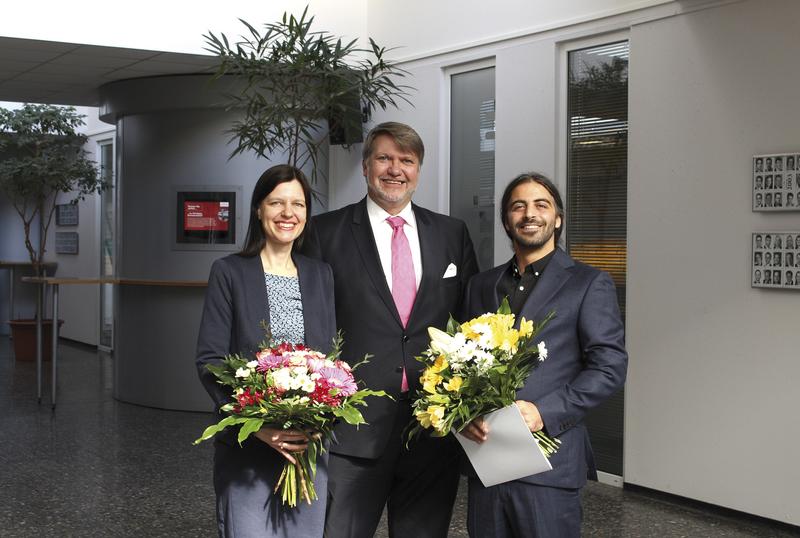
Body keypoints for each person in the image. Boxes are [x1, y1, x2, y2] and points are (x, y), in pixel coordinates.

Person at [302, 122, 479, 538]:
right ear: (365, 167)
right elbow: (310, 324)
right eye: (384, 158)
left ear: (418, 170)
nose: (394, 169)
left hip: (430, 427)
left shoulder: (452, 234)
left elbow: (468, 323)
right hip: (351, 428)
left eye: (407, 160)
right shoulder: (324, 233)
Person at [461, 172, 628, 537]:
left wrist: (543, 412)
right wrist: (465, 415)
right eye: (518, 206)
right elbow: (463, 362)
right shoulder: (480, 285)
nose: (529, 214)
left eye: (541, 205)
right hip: (486, 461)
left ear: (558, 218)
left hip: (550, 466)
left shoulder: (588, 283)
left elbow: (610, 367)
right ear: (507, 220)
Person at [196, 165, 337, 538]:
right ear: (259, 209)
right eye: (276, 202)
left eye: (298, 204)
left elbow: (328, 361)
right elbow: (210, 362)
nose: (287, 213)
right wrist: (261, 427)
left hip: (308, 449)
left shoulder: (320, 274)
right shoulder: (229, 272)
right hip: (248, 449)